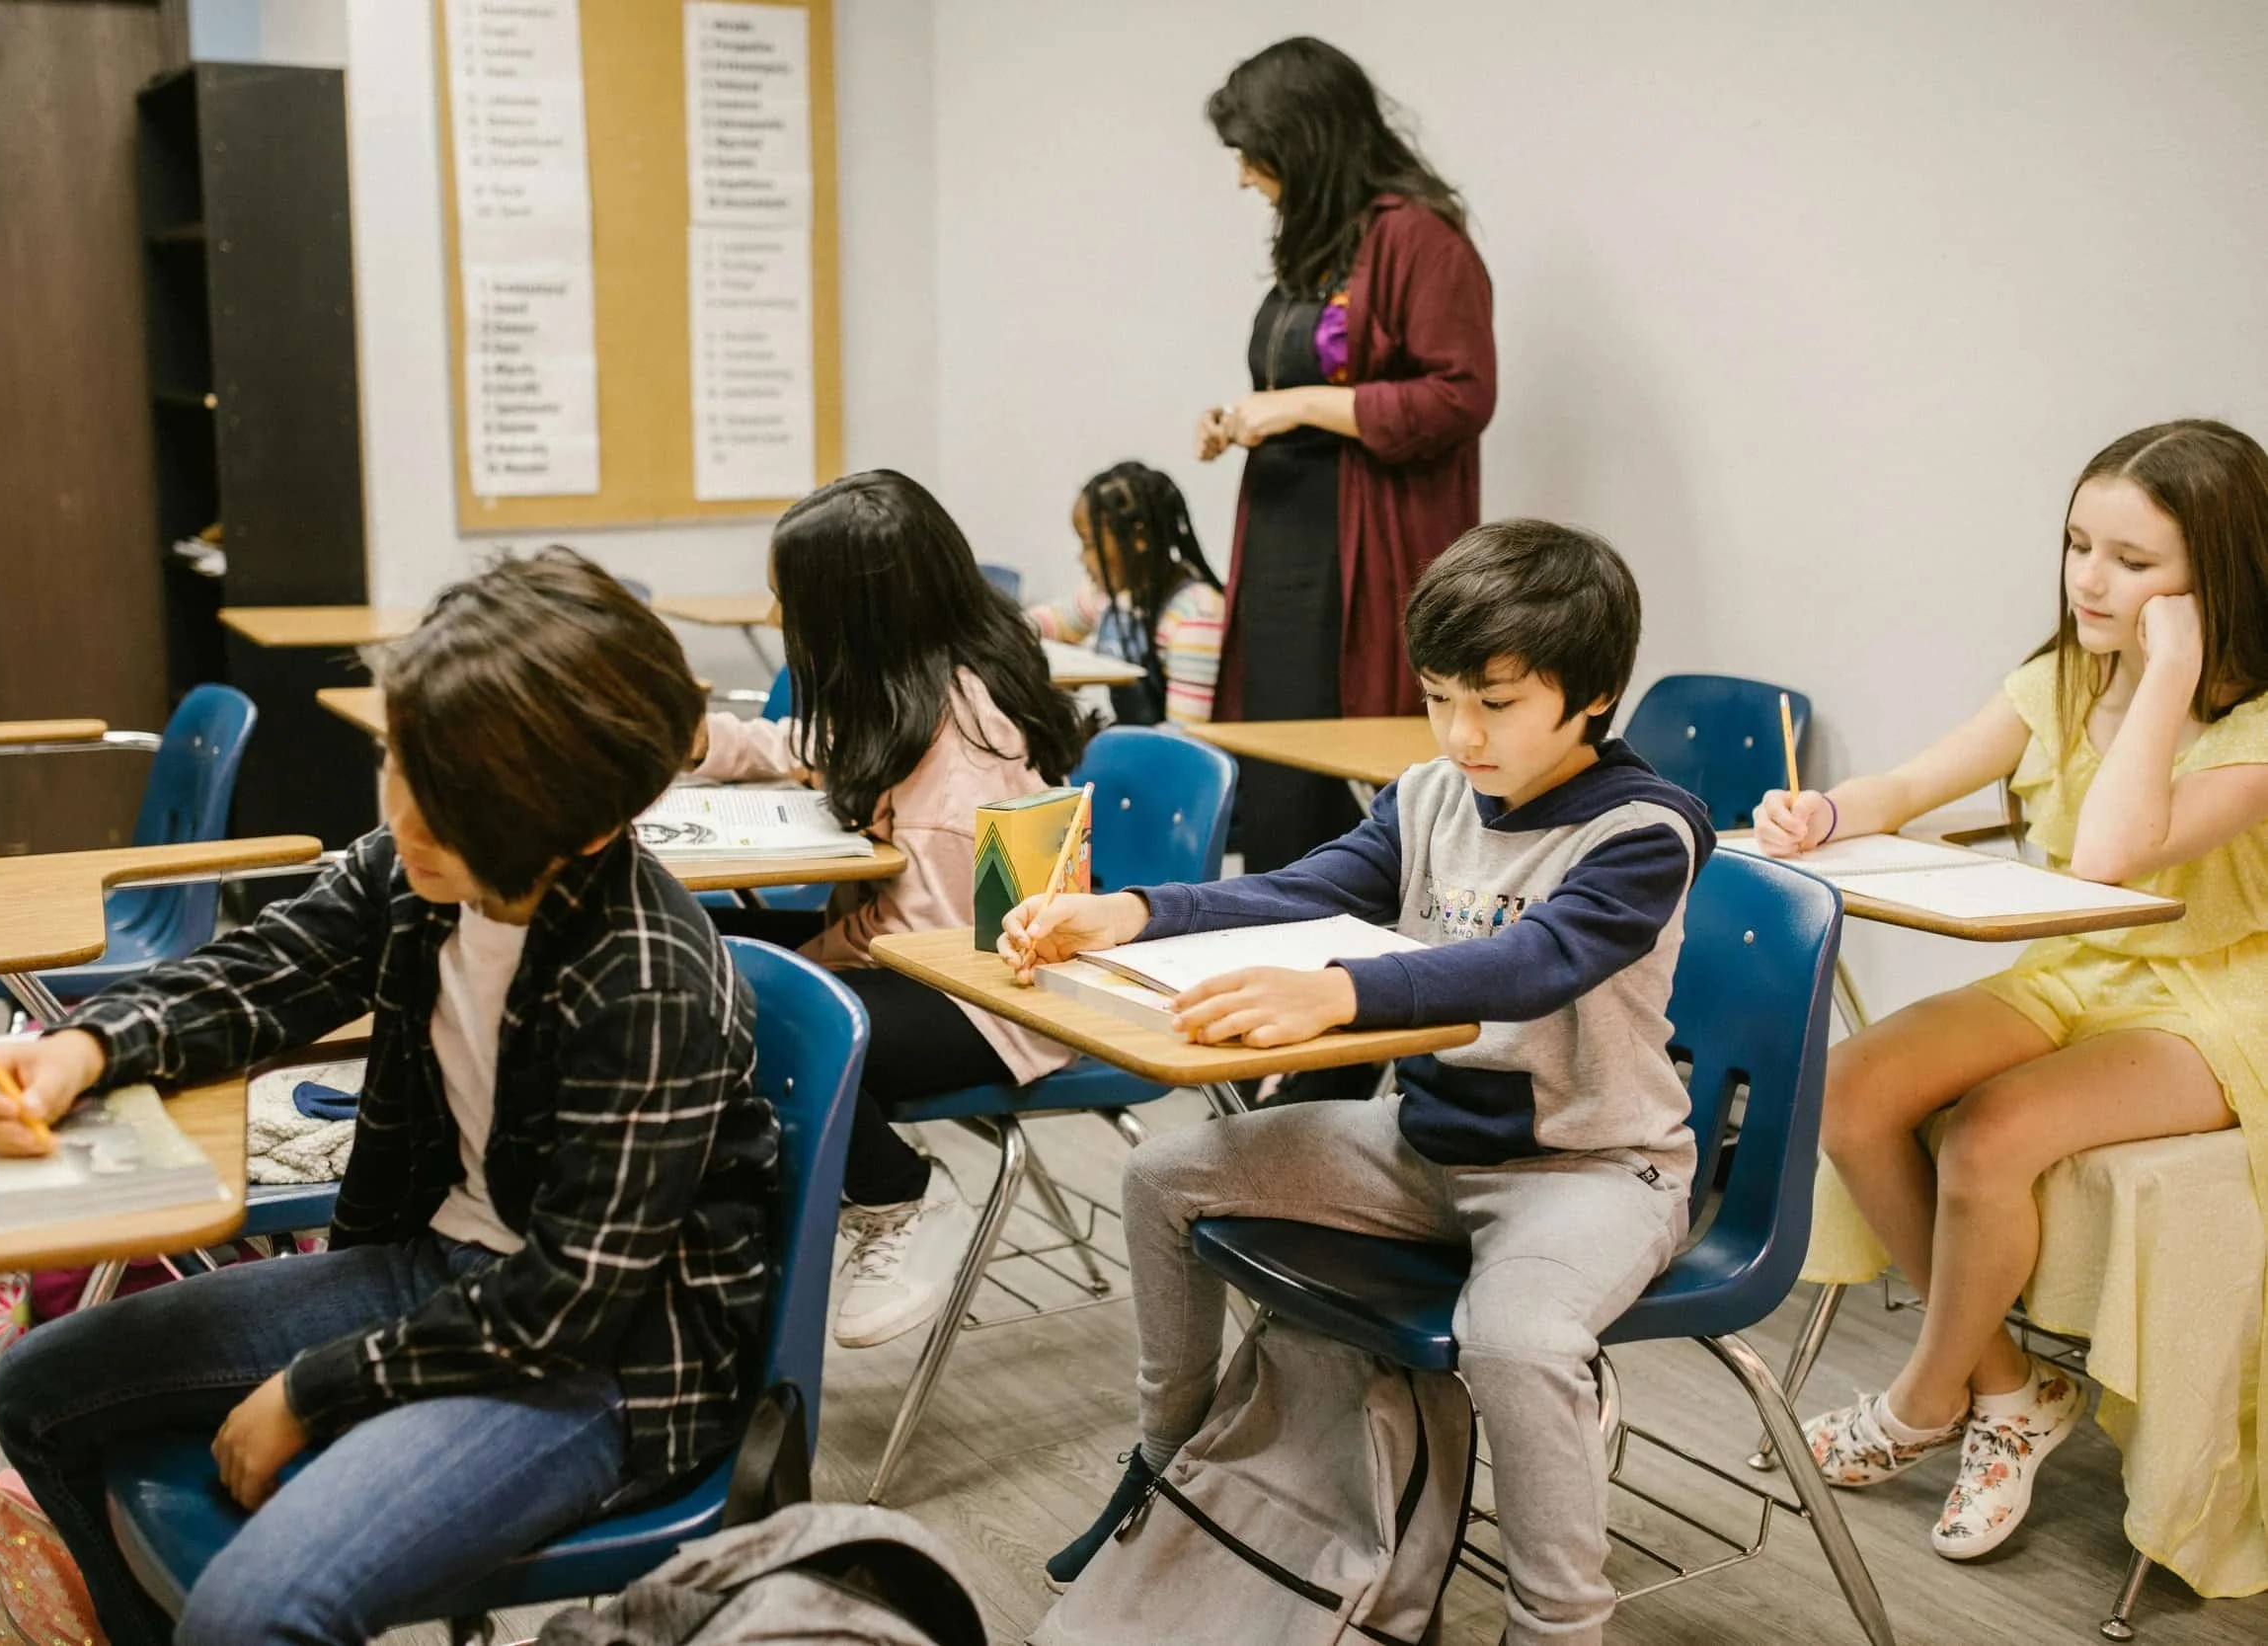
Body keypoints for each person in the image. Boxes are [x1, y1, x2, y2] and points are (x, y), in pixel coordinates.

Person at [0, 551, 776, 1646]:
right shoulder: (421, 866)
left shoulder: (644, 979)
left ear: (588, 823)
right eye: (400, 764)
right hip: (436, 1271)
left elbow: (563, 1305)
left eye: (455, 804)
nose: (405, 817)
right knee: (38, 1388)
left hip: (605, 1369)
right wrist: (81, 1046)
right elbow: (264, 970)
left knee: (255, 1613)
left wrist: (317, 1387)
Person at [1009, 521, 1713, 1646]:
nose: (1459, 732)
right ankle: (1171, 1472)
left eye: (1494, 702)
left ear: (1588, 697)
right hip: (1426, 1145)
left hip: (1588, 1169)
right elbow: (1311, 884)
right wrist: (1129, 909)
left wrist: (1339, 992)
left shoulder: (1646, 829)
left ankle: (1556, 1622)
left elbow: (1536, 963)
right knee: (1161, 1174)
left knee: (1513, 1337)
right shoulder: (1432, 792)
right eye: (1439, 697)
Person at [1761, 420, 2268, 1559]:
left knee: (1992, 1130)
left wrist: (2170, 669)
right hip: (2083, 966)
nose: (2090, 578)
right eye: (2078, 543)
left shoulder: (2254, 722)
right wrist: (1827, 812)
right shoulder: (2057, 676)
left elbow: (2110, 855)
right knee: (1849, 1086)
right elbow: (1913, 780)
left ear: (2216, 576)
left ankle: (1921, 1404)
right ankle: (2007, 1387)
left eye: (2134, 562)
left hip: (2220, 995)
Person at [694, 470, 1096, 1349]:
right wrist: (705, 741)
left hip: (995, 995)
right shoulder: (912, 693)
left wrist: (811, 953)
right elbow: (819, 744)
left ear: (852, 618)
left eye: (789, 607)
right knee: (686, 945)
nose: (776, 625)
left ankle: (901, 1193)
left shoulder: (964, 769)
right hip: (928, 948)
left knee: (744, 1016)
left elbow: (932, 945)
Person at [1197, 35, 1497, 871]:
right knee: (1282, 768)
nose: (1244, 175)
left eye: (1253, 154)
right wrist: (1242, 416)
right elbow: (1315, 378)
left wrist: (1295, 402)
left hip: (1368, 551)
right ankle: (1271, 944)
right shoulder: (1323, 242)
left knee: (1351, 780)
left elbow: (1460, 396)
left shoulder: (1422, 240)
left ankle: (1347, 966)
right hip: (1289, 549)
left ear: (1306, 141)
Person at [1026, 460, 1226, 727]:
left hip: (1168, 759)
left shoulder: (1195, 615)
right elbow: (1055, 622)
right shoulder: (1113, 597)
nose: (1082, 558)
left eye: (1088, 544)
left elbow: (1185, 736)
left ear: (1138, 538)